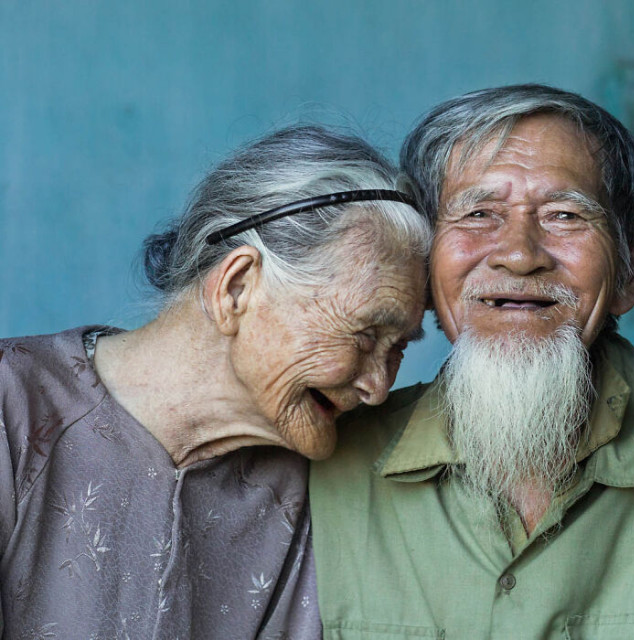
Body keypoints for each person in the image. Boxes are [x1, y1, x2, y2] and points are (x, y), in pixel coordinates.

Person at [0, 125, 429, 639]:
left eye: (399, 348)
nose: (378, 388)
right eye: (365, 335)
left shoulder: (319, 490)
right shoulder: (14, 408)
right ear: (236, 288)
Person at [310, 85, 634, 639]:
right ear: (420, 265)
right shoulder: (321, 466)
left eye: (564, 214)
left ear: (630, 274)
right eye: (478, 212)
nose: (518, 253)